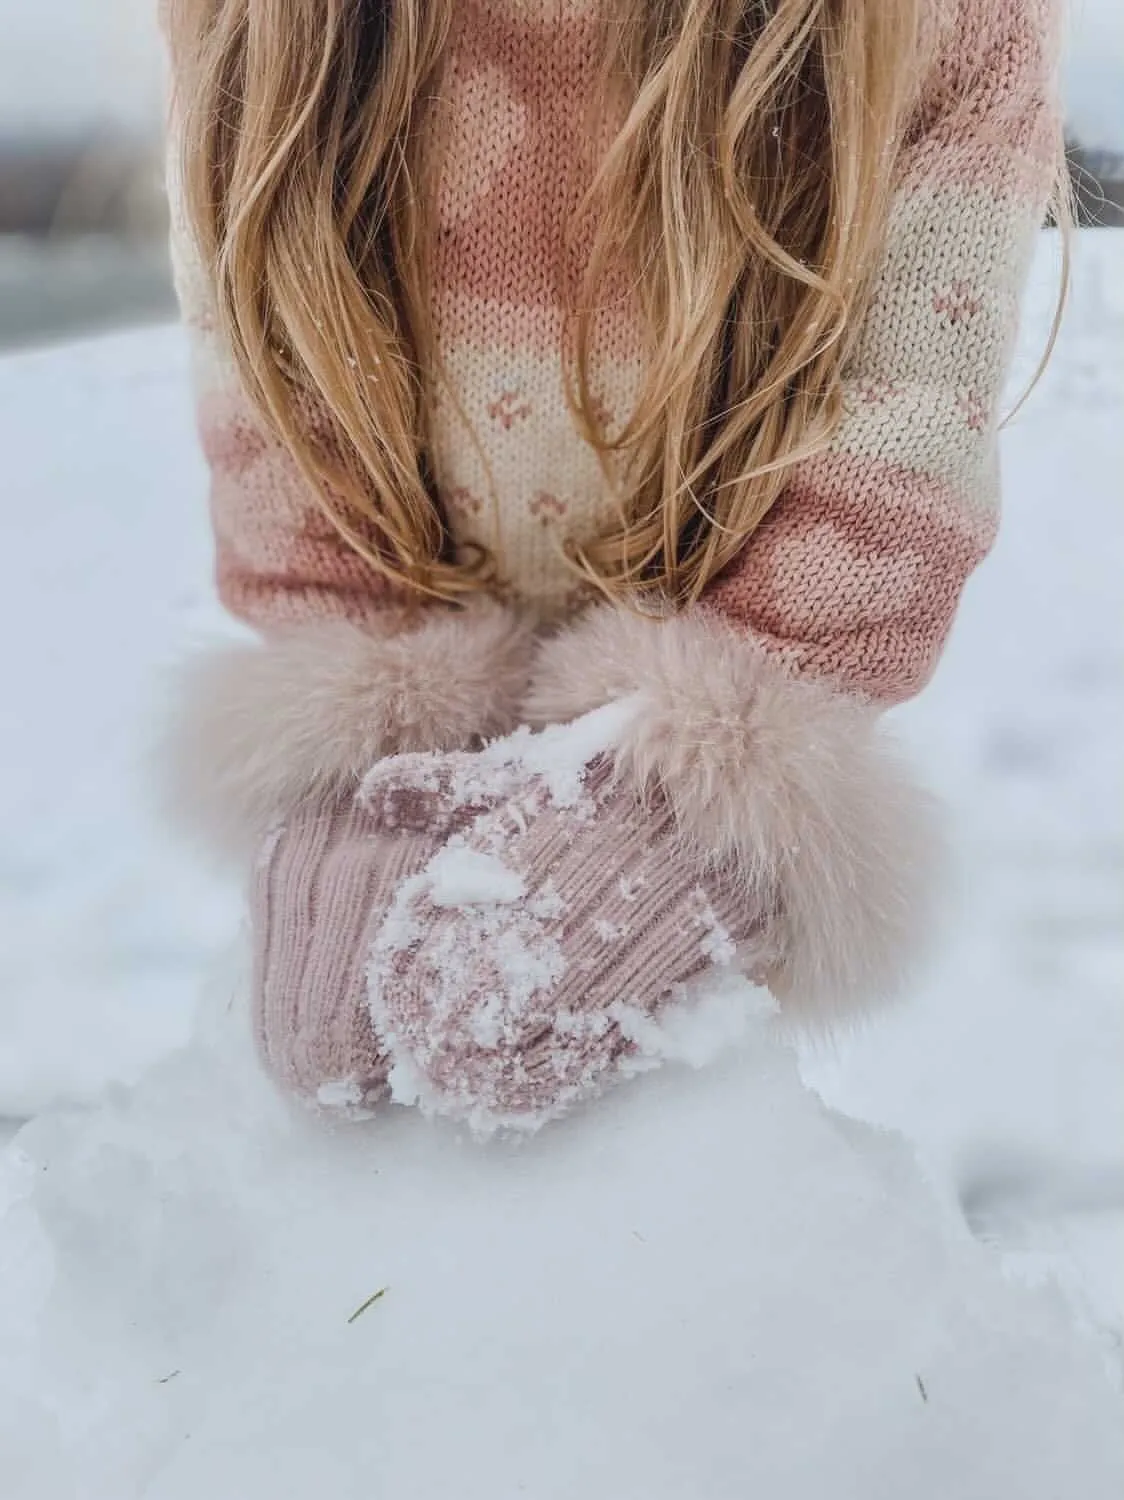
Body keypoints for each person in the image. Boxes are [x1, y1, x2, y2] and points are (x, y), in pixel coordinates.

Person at [161, 0, 1064, 1131]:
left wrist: (703, 776)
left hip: (730, 652)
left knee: (643, 1172)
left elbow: (903, 421)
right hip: (414, 600)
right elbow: (268, 365)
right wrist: (354, 713)